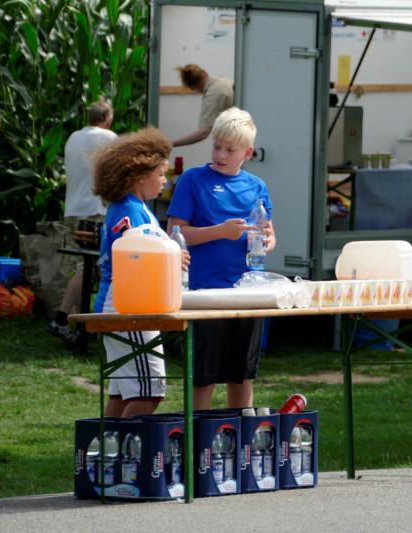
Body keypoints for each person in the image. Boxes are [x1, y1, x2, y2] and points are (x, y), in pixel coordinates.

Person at [167, 107, 275, 410]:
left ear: (247, 153)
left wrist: (267, 241)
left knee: (242, 376)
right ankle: (199, 434)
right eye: (217, 146)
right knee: (204, 377)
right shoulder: (193, 180)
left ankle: (239, 435)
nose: (221, 155)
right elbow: (175, 234)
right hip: (206, 292)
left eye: (230, 149)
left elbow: (269, 234)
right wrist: (221, 232)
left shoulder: (257, 186)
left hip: (248, 292)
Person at [92, 126, 189, 417]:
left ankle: (107, 446)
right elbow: (136, 260)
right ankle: (129, 447)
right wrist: (172, 260)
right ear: (139, 176)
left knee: (123, 394)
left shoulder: (130, 207)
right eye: (160, 173)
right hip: (129, 305)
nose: (164, 180)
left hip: (121, 302)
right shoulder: (131, 211)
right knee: (149, 392)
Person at [47, 98, 117, 346]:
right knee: (87, 268)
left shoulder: (73, 137)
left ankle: (80, 327)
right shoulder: (109, 138)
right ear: (107, 119)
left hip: (73, 210)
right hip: (93, 210)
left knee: (80, 265)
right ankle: (61, 319)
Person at [171, 64, 233, 148]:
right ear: (205, 72)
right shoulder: (226, 81)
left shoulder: (212, 95)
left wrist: (172, 143)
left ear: (192, 88)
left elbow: (203, 133)